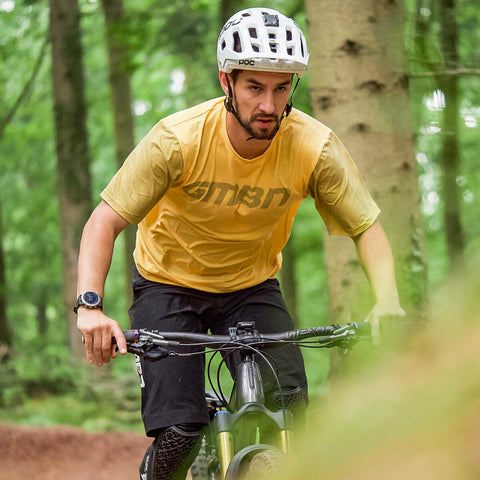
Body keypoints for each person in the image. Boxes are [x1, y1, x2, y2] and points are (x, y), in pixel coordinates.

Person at [75, 7, 405, 480]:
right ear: (227, 82)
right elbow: (103, 222)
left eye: (281, 87)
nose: (269, 105)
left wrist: (387, 301)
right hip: (168, 283)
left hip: (250, 288)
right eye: (255, 87)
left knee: (290, 407)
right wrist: (90, 306)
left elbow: (366, 226)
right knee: (182, 430)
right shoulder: (177, 141)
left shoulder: (314, 146)